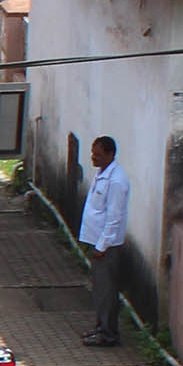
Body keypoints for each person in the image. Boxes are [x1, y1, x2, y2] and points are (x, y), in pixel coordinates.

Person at [77, 135, 128, 347]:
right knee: (99, 290)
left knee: (106, 292)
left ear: (110, 154)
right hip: (95, 241)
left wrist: (102, 246)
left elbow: (114, 217)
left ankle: (108, 334)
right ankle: (101, 328)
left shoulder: (116, 181)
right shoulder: (103, 175)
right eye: (92, 153)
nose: (93, 158)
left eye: (97, 155)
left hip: (106, 247)